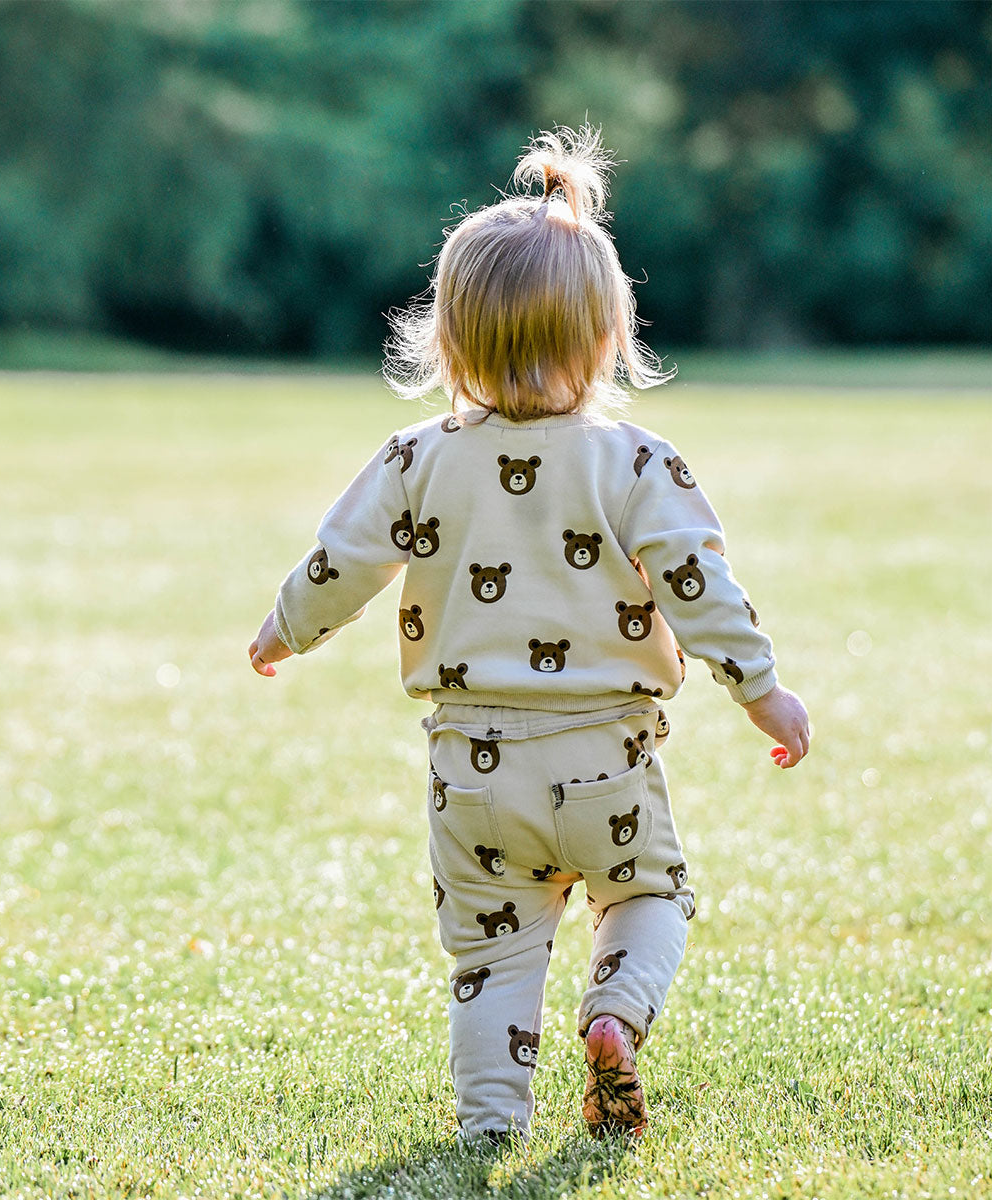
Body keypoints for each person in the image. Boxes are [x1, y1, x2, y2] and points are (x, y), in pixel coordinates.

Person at [248, 126, 810, 1144]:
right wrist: (762, 689)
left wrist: (286, 631)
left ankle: (490, 1124)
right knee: (650, 898)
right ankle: (613, 1013)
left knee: (491, 957)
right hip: (608, 755)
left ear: (449, 339)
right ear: (607, 338)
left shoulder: (417, 458)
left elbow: (344, 561)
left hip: (471, 767)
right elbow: (699, 586)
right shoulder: (635, 462)